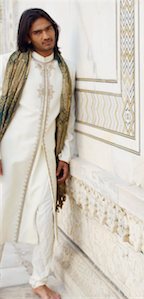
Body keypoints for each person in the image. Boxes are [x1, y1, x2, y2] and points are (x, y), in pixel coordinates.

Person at [0, 8, 75, 299]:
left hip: (44, 158)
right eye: (38, 32)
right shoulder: (9, 63)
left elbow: (66, 119)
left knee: (46, 219)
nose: (46, 36)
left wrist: (64, 155)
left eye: (49, 29)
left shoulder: (64, 69)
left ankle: (40, 279)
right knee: (1, 216)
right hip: (9, 156)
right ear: (27, 38)